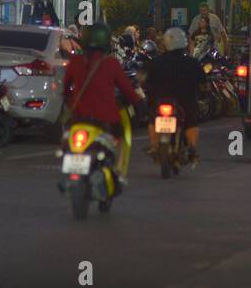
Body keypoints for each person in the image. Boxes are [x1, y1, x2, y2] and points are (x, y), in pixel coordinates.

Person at [61, 22, 144, 180]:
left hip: (78, 117)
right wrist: (139, 104)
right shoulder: (111, 63)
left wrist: (70, 102)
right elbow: (127, 90)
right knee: (117, 141)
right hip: (105, 119)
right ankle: (115, 172)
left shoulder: (76, 61)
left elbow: (65, 89)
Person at [144, 27, 206, 165]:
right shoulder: (192, 63)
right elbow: (203, 81)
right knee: (191, 120)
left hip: (160, 102)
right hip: (184, 103)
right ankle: (192, 147)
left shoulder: (156, 62)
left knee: (152, 120)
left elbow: (147, 81)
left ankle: (154, 146)